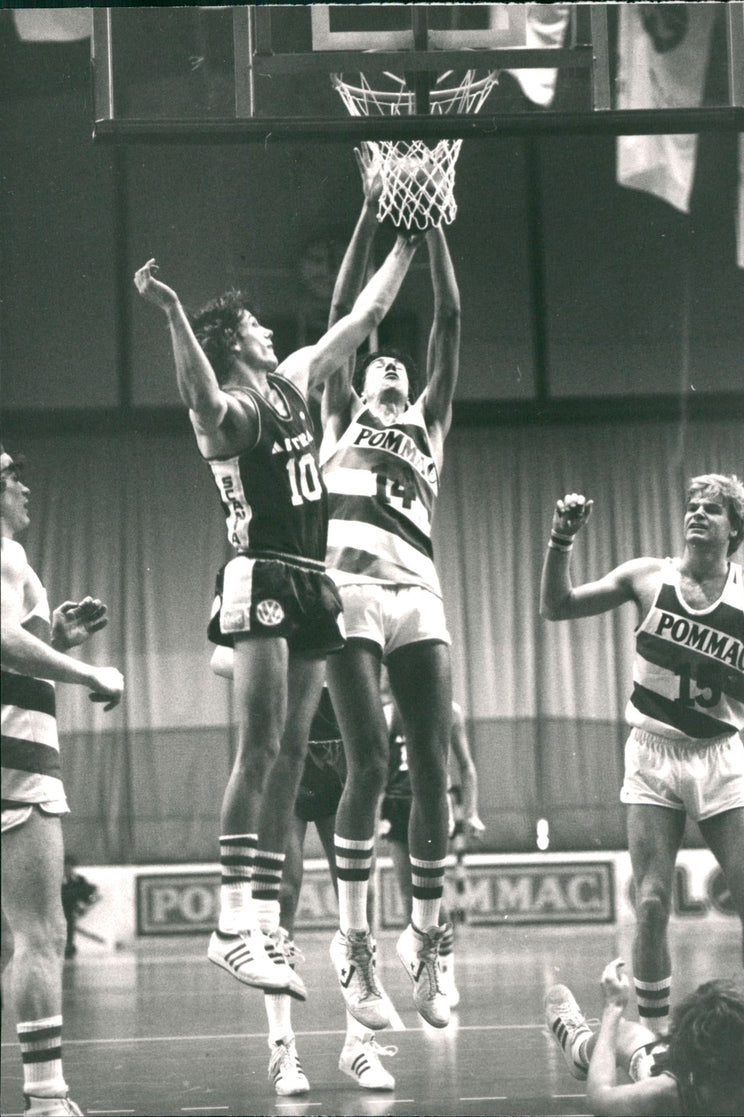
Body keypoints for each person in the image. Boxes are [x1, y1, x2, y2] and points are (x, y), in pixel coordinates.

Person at [134, 217, 418, 999]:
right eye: (255, 324)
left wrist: (405, 249)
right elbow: (195, 392)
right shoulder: (230, 408)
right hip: (257, 573)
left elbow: (358, 322)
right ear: (233, 343)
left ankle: (260, 918)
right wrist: (174, 314)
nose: (269, 329)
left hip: (310, 578)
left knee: (292, 756)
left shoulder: (292, 378)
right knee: (258, 747)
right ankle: (230, 925)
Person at [539, 476, 744, 1034]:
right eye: (692, 506)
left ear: (736, 528)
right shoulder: (647, 576)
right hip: (654, 755)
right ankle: (653, 1035)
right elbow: (556, 607)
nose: (697, 514)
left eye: (712, 510)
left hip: (719, 755)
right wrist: (560, 542)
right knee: (652, 904)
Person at [320, 148, 462, 1030]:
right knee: (370, 761)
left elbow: (449, 315)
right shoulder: (338, 416)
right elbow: (343, 314)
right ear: (360, 378)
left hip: (418, 592)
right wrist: (376, 209)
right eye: (380, 366)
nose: (392, 370)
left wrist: (434, 211)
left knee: (433, 768)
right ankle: (354, 945)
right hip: (349, 591)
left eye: (399, 369)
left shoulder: (429, 423)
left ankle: (428, 939)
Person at [210, 646, 396, 1097]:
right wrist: (288, 669)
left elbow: (385, 675)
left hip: (342, 759)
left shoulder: (351, 595)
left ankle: (360, 1044)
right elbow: (220, 659)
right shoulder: (284, 591)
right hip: (285, 756)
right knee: (280, 897)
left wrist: (346, 674)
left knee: (359, 901)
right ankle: (281, 1046)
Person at [1, 446, 124, 1117]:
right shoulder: (5, 554)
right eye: (13, 476)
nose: (25, 486)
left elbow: (17, 642)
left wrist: (55, 635)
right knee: (40, 934)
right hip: (17, 758)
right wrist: (90, 674)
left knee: (8, 939)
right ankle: (48, 1100)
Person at [544, 958, 744, 1116]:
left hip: (688, 1093)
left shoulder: (665, 1092)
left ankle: (578, 1051)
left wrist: (614, 1007)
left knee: (624, 1032)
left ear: (683, 1048)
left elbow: (600, 1097)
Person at [381, 695, 485, 1008]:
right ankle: (426, 974)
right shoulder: (389, 713)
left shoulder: (449, 711)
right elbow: (375, 768)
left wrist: (472, 812)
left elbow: (466, 767)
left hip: (431, 802)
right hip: (397, 804)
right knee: (406, 897)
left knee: (431, 895)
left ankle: (446, 976)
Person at [61, 856, 99, 959]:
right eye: (65, 867)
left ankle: (69, 945)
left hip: (70, 909)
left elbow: (88, 893)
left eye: (69, 867)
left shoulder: (79, 880)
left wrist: (85, 902)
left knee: (69, 923)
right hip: (59, 909)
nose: (67, 869)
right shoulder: (57, 880)